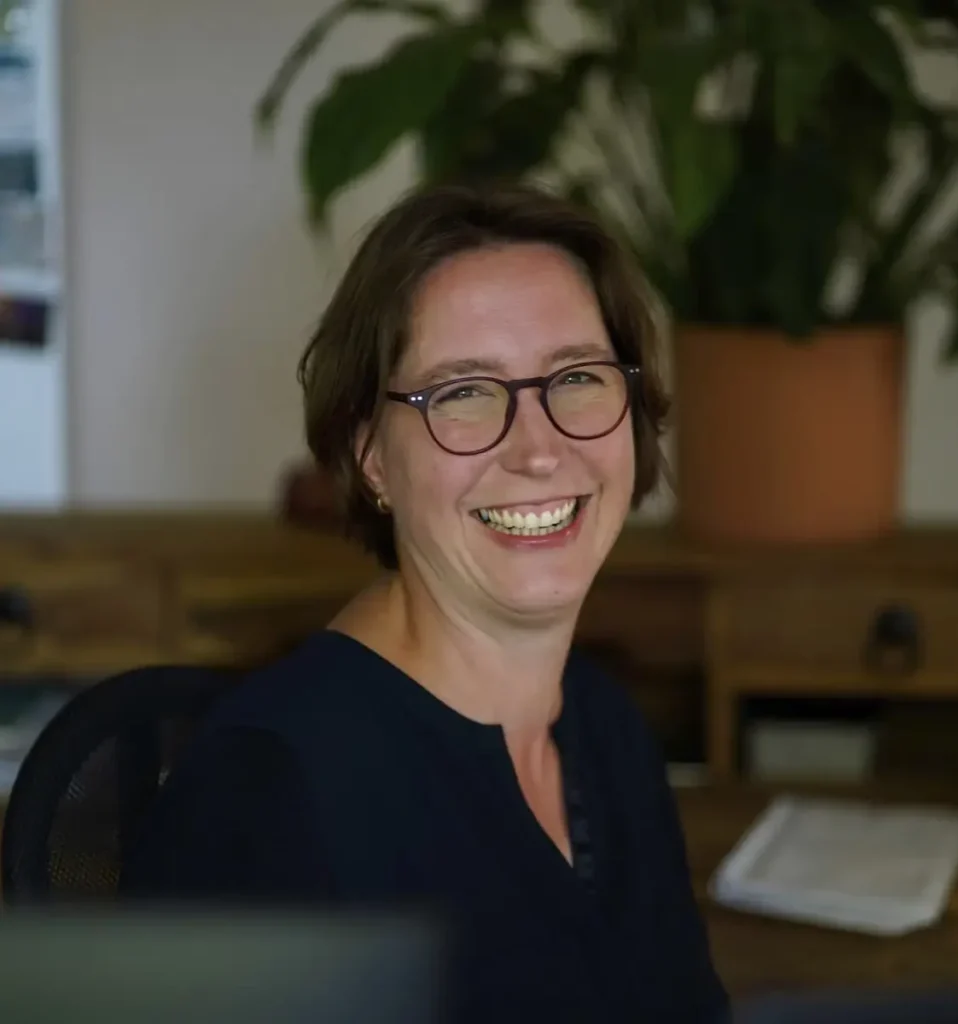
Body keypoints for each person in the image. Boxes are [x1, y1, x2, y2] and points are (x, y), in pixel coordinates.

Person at [120, 182, 730, 1023]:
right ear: (371, 456)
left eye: (577, 377)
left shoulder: (604, 726)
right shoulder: (265, 800)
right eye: (465, 394)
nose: (540, 450)